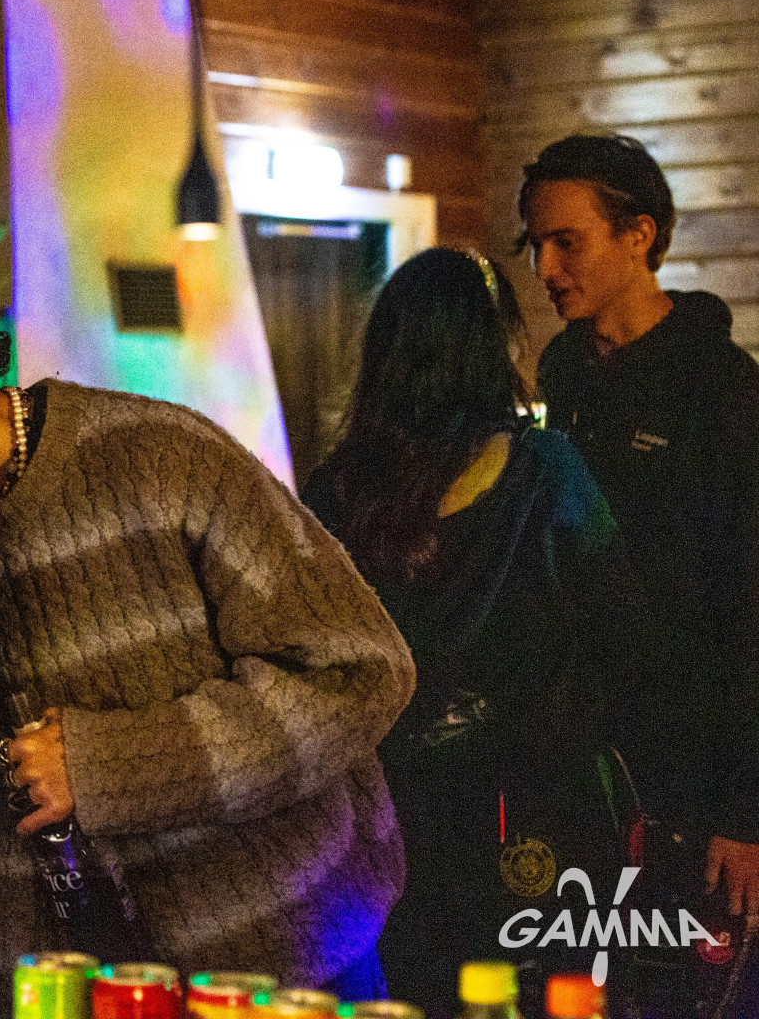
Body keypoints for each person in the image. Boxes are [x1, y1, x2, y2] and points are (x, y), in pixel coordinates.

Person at [0, 189, 418, 1000]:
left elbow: (357, 670)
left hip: (290, 962)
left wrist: (109, 765)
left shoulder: (158, 456)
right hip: (66, 986)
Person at [302, 248, 634, 1017]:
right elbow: (628, 637)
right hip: (536, 810)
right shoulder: (547, 472)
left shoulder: (336, 490)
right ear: (492, 346)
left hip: (389, 819)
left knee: (412, 996)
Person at [520, 136, 759, 927]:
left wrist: (744, 813)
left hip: (689, 774)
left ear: (639, 234)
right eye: (536, 245)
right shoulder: (563, 373)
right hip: (577, 762)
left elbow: (749, 605)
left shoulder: (722, 388)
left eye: (567, 242)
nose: (546, 268)